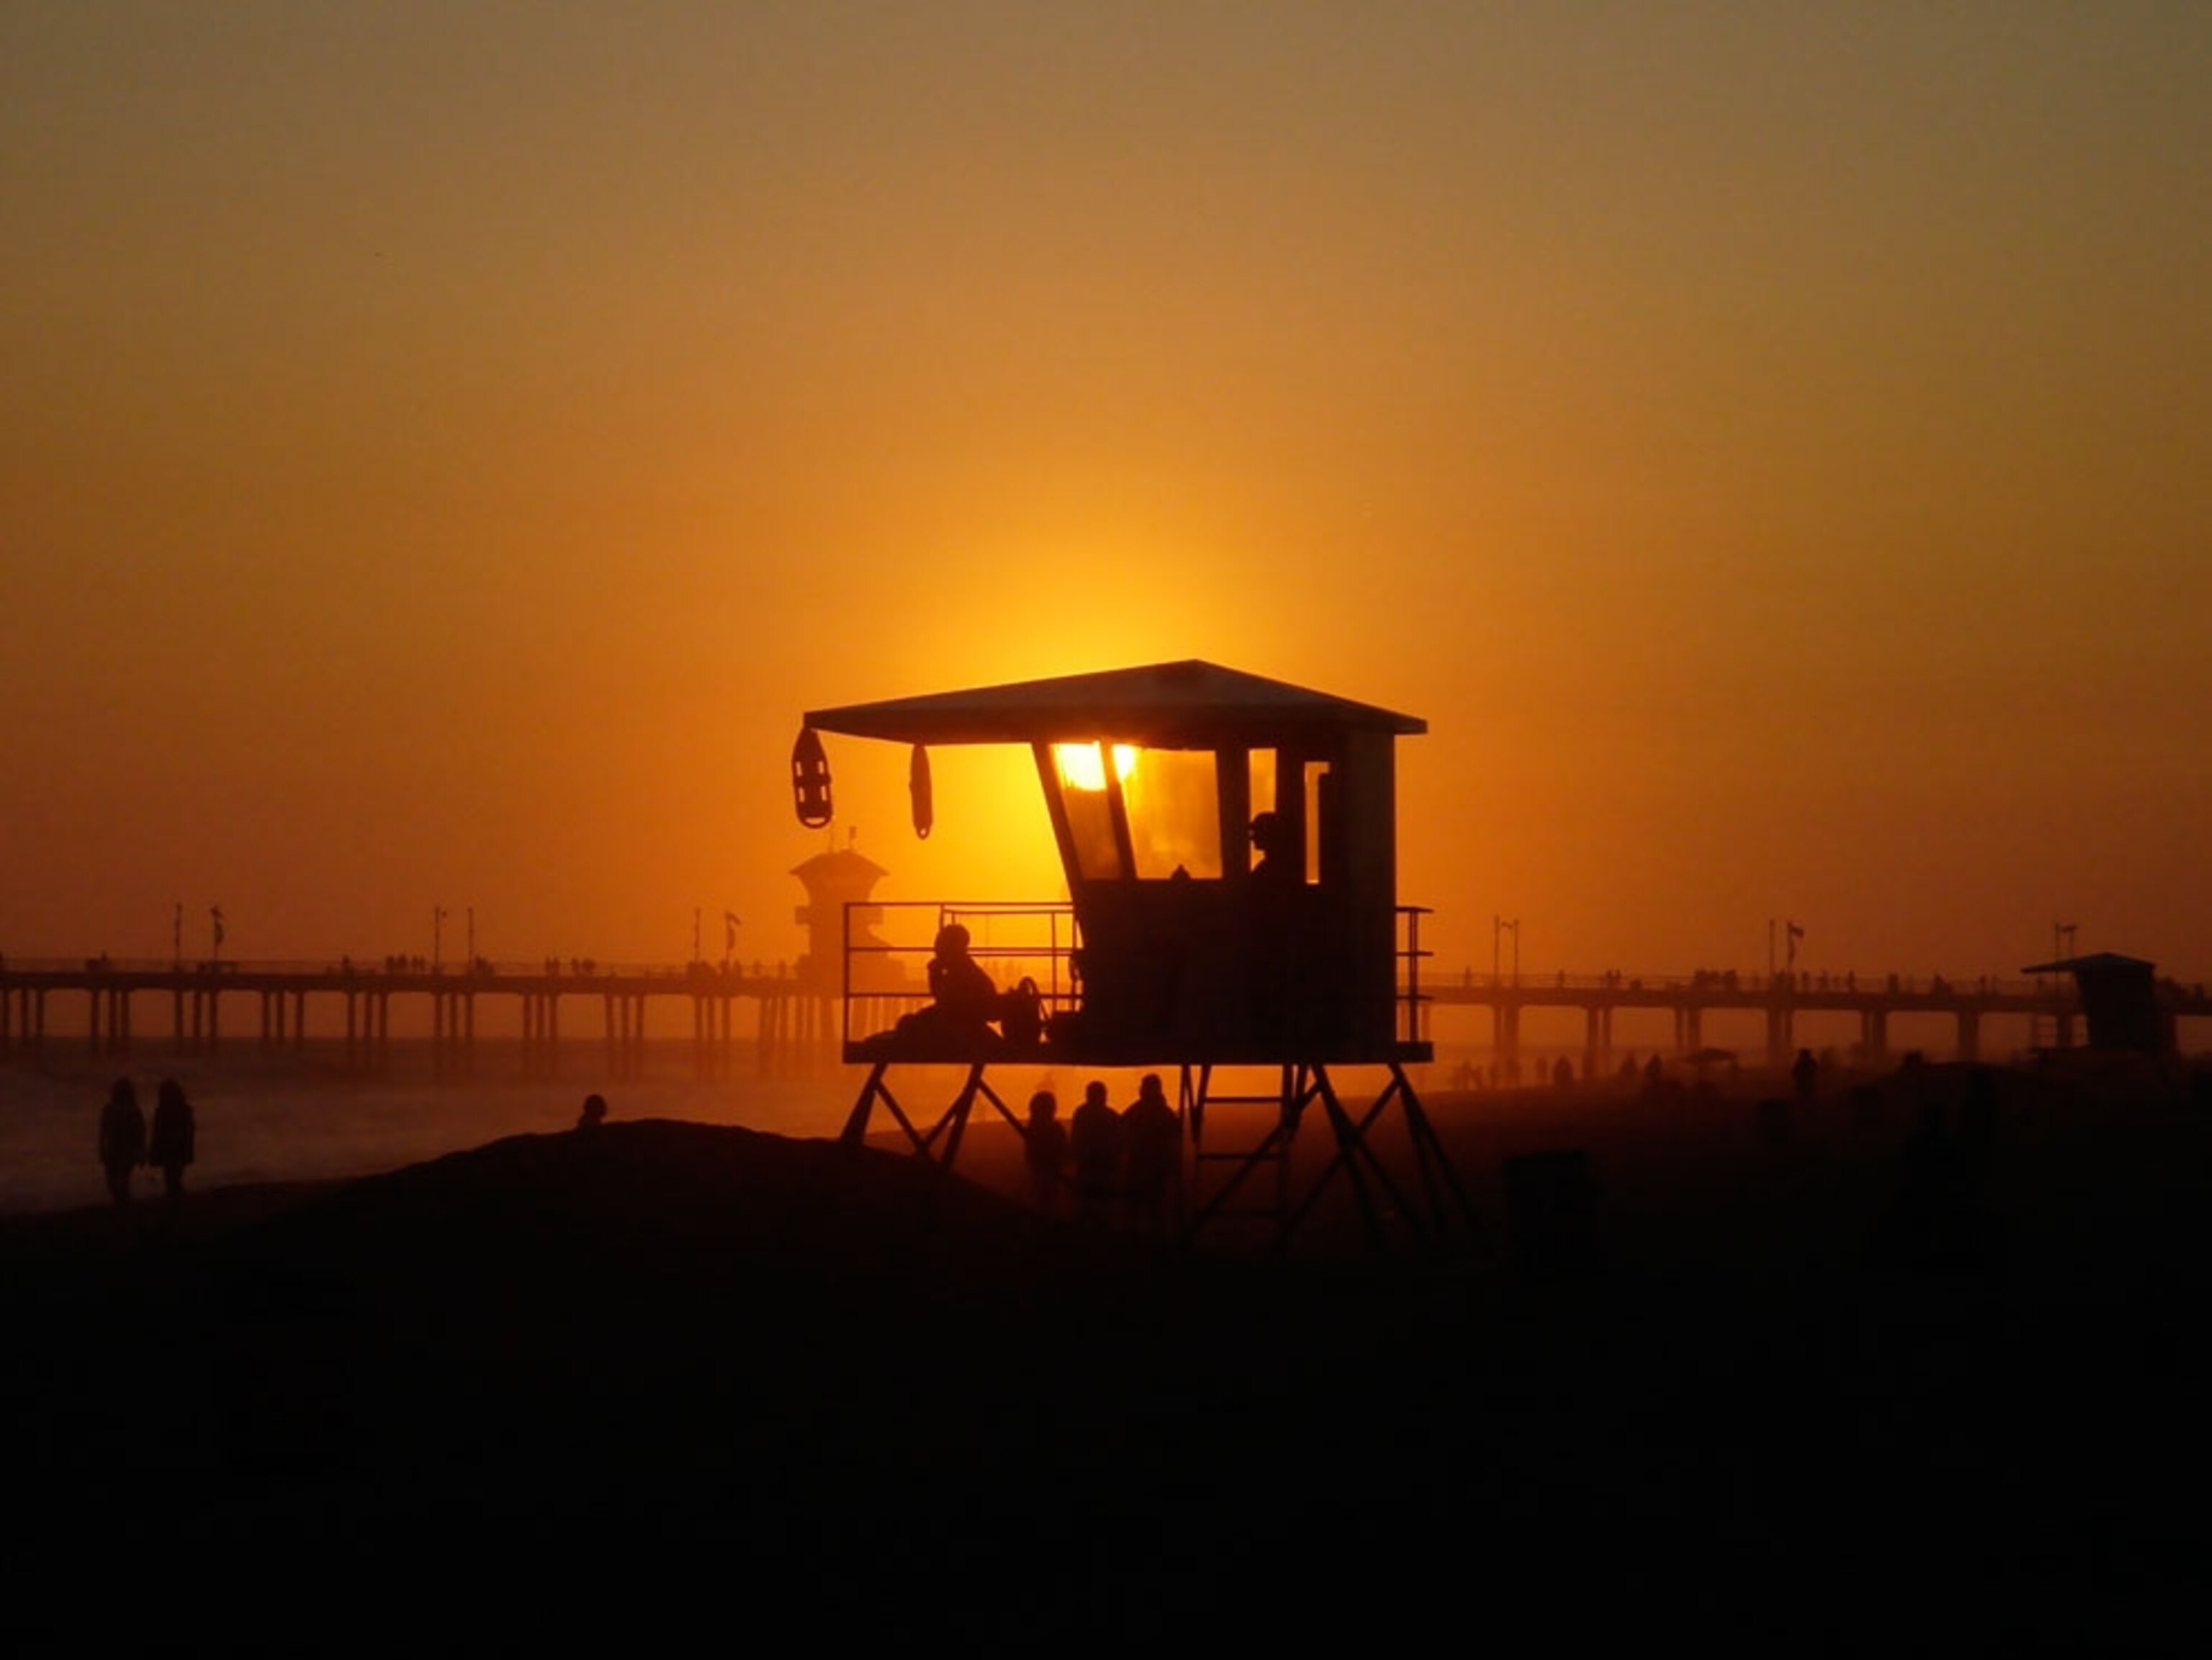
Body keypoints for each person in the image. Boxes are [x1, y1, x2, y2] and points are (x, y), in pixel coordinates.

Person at [1120, 1072, 1181, 1227]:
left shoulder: (1135, 1111)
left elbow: (1121, 1133)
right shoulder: (1165, 1113)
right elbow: (1175, 1139)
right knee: (1155, 1210)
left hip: (1138, 1166)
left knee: (1134, 1210)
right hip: (1156, 1167)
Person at [1068, 1079, 1123, 1226]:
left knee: (1087, 1204)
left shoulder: (1081, 1113)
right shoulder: (1111, 1116)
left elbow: (1075, 1139)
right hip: (1105, 1167)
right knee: (1102, 1205)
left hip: (1089, 1166)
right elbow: (1120, 1142)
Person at [97, 1078, 145, 1206]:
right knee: (119, 1182)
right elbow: (141, 1134)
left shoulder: (113, 1110)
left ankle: (123, 1205)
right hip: (120, 1152)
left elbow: (140, 1134)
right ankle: (124, 1203)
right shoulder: (132, 1111)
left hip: (119, 1152)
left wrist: (102, 1149)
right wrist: (142, 1153)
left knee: (116, 1182)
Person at [148, 1078, 195, 1199]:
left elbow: (157, 1133)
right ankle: (176, 1195)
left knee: (171, 1175)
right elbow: (190, 1130)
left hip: (169, 1147)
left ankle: (175, 1196)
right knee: (175, 1175)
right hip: (179, 1146)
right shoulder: (184, 1109)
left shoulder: (163, 1111)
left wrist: (153, 1151)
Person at [1022, 1089, 1069, 1213]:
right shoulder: (1054, 1128)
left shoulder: (1033, 1127)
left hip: (1040, 1172)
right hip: (1050, 1173)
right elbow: (1064, 1150)